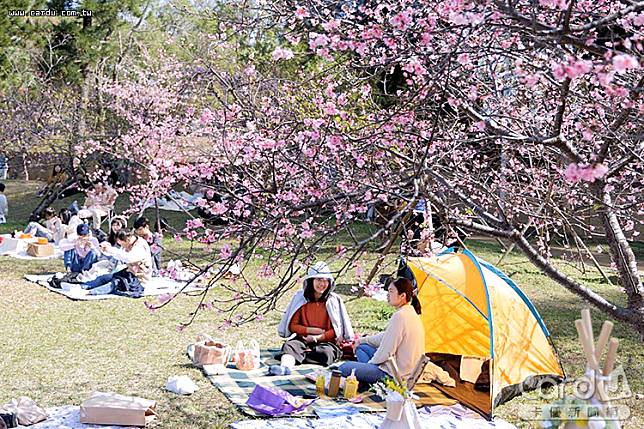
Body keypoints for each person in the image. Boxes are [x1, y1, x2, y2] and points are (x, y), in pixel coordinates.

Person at [271, 262, 354, 376]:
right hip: (303, 339)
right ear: (311, 281)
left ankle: (300, 356)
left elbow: (336, 330)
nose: (322, 284)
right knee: (290, 346)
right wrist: (311, 331)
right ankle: (285, 367)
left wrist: (317, 338)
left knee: (326, 353)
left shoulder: (332, 301)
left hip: (326, 343)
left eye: (326, 280)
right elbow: (293, 325)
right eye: (319, 280)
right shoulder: (301, 299)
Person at [338, 278, 424, 385]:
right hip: (401, 368)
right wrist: (361, 340)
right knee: (362, 348)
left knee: (343, 367)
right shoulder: (410, 312)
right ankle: (366, 376)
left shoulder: (400, 316)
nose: (388, 295)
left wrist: (370, 365)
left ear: (402, 296)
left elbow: (387, 351)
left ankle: (367, 379)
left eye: (391, 291)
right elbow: (385, 337)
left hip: (395, 374)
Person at [80, 229, 152, 296]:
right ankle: (83, 286)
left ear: (128, 239)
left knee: (115, 283)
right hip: (130, 273)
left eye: (122, 244)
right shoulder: (129, 243)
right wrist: (105, 249)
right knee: (105, 277)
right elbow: (117, 255)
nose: (122, 246)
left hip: (140, 279)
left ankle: (90, 292)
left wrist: (111, 250)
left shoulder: (140, 246)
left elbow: (129, 258)